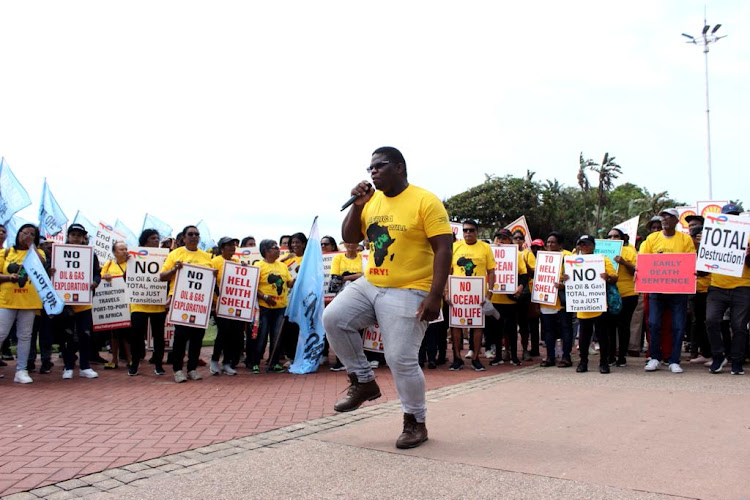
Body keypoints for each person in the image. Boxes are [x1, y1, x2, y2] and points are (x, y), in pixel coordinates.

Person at [323, 146, 452, 450]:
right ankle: (363, 381)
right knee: (334, 318)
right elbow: (352, 238)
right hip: (372, 283)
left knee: (399, 358)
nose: (373, 173)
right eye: (370, 169)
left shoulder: (425, 201)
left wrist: (435, 295)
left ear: (399, 167)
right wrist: (357, 204)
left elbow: (444, 248)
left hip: (411, 287)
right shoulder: (371, 200)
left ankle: (415, 421)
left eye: (379, 166)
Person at [639, 208, 696, 373]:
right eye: (663, 217)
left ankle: (674, 360)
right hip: (656, 291)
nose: (664, 219)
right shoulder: (652, 238)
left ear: (677, 221)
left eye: (668, 217)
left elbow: (690, 261)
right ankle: (655, 357)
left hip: (678, 292)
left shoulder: (685, 240)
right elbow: (643, 261)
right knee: (653, 323)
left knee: (678, 326)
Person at [159, 224, 216, 383]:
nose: (194, 236)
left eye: (196, 234)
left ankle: (192, 369)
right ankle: (177, 370)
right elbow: (162, 276)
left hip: (200, 304)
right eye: (190, 234)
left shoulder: (206, 257)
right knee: (181, 336)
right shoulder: (175, 254)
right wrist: (174, 270)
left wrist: (213, 276)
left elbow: (210, 281)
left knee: (197, 337)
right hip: (181, 302)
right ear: (183, 237)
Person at [562, 235, 618, 374]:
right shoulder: (572, 261)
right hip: (583, 304)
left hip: (599, 303)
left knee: (602, 335)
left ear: (593, 245)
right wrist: (565, 278)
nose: (584, 247)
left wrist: (608, 277)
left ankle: (604, 363)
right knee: (584, 336)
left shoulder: (602, 259)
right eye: (581, 244)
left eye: (586, 244)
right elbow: (565, 280)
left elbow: (615, 278)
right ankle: (583, 362)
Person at [705, 203, 750, 375]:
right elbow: (703, 268)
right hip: (717, 287)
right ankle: (718, 356)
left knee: (739, 325)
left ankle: (737, 361)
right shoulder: (711, 236)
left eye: (734, 215)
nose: (731, 217)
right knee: (711, 321)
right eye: (728, 215)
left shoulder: (747, 236)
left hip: (743, 286)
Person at [0, 224, 46, 383]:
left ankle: (21, 370)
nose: (27, 235)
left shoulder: (38, 252)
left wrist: (31, 246)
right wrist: (9, 278)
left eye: (32, 234)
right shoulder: (6, 252)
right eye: (24, 232)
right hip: (7, 301)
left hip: (29, 301)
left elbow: (42, 266)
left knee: (25, 336)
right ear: (17, 233)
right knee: (1, 333)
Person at [447, 219, 494, 371]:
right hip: (457, 294)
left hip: (477, 295)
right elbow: (448, 270)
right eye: (465, 230)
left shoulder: (485, 248)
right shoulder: (454, 247)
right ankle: (457, 358)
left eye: (471, 230)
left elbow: (491, 271)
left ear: (477, 232)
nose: (468, 233)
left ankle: (475, 358)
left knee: (478, 326)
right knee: (455, 325)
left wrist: (490, 292)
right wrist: (446, 292)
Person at [59, 223, 101, 380]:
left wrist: (95, 283)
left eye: (79, 235)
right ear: (68, 236)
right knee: (68, 336)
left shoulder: (90, 254)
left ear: (84, 238)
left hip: (84, 303)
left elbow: (97, 273)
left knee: (85, 335)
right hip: (66, 304)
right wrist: (52, 271)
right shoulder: (59, 253)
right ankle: (68, 366)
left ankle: (85, 366)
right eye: (73, 235)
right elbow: (51, 271)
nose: (76, 238)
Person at [251, 239, 294, 374]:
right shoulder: (258, 266)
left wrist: (298, 279)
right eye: (275, 247)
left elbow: (288, 283)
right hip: (264, 307)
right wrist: (264, 297)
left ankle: (274, 362)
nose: (278, 250)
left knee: (277, 336)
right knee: (261, 336)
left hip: (280, 307)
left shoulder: (282, 266)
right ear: (266, 251)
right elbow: (253, 286)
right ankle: (255, 363)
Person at [130, 229, 168, 376]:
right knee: (136, 336)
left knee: (159, 337)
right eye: (153, 238)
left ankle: (158, 364)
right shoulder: (134, 255)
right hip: (138, 304)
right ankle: (134, 363)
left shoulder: (164, 257)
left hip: (157, 304)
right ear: (145, 240)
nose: (156, 240)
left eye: (157, 238)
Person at [488, 229, 528, 367]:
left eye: (504, 238)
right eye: (498, 238)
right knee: (496, 330)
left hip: (510, 299)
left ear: (510, 240)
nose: (501, 241)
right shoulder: (490, 253)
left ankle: (514, 356)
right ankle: (498, 356)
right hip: (495, 299)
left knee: (511, 329)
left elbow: (524, 274)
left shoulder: (516, 254)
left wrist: (520, 288)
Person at [539, 232, 575, 367]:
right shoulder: (542, 257)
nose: (549, 245)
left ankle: (566, 356)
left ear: (560, 244)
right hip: (546, 300)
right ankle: (550, 356)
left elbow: (575, 277)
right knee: (548, 330)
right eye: (548, 242)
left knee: (566, 328)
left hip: (562, 300)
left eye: (552, 242)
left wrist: (564, 284)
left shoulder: (568, 257)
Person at [327, 241, 364, 371]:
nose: (351, 244)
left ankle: (359, 361)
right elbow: (336, 278)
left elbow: (367, 275)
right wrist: (356, 276)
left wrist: (347, 276)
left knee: (359, 328)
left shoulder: (363, 257)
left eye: (353, 241)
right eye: (347, 241)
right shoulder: (338, 258)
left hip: (361, 296)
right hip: (342, 296)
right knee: (340, 326)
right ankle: (340, 360)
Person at [210, 237, 243, 376]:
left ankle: (227, 363)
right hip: (219, 304)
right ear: (221, 248)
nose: (232, 248)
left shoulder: (237, 263)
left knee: (234, 334)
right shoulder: (214, 262)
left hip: (234, 305)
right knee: (223, 332)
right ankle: (214, 360)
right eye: (229, 245)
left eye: (233, 245)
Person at [100, 241, 133, 373]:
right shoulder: (108, 265)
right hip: (114, 305)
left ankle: (130, 359)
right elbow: (101, 277)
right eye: (120, 249)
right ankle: (114, 360)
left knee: (127, 335)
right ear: (114, 252)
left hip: (129, 305)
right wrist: (105, 276)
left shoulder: (132, 264)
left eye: (126, 249)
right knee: (114, 334)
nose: (124, 251)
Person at [606, 228, 637, 367]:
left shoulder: (630, 251)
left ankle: (622, 356)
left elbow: (636, 271)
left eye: (616, 236)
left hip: (627, 294)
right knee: (610, 326)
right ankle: (611, 356)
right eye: (610, 237)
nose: (612, 239)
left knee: (623, 325)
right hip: (609, 294)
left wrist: (624, 262)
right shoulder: (603, 252)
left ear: (623, 238)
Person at [688, 224, 712, 364]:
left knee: (709, 323)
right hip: (694, 291)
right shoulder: (688, 250)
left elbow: (704, 271)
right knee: (698, 323)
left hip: (708, 290)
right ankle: (706, 353)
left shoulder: (709, 250)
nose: (691, 239)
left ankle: (715, 354)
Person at [514, 230, 539, 360]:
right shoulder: (506, 254)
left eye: (520, 238)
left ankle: (526, 349)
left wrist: (525, 264)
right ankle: (508, 351)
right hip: (508, 294)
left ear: (523, 241)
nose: (517, 240)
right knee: (509, 324)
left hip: (525, 293)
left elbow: (533, 273)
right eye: (515, 238)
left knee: (526, 323)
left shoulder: (527, 254)